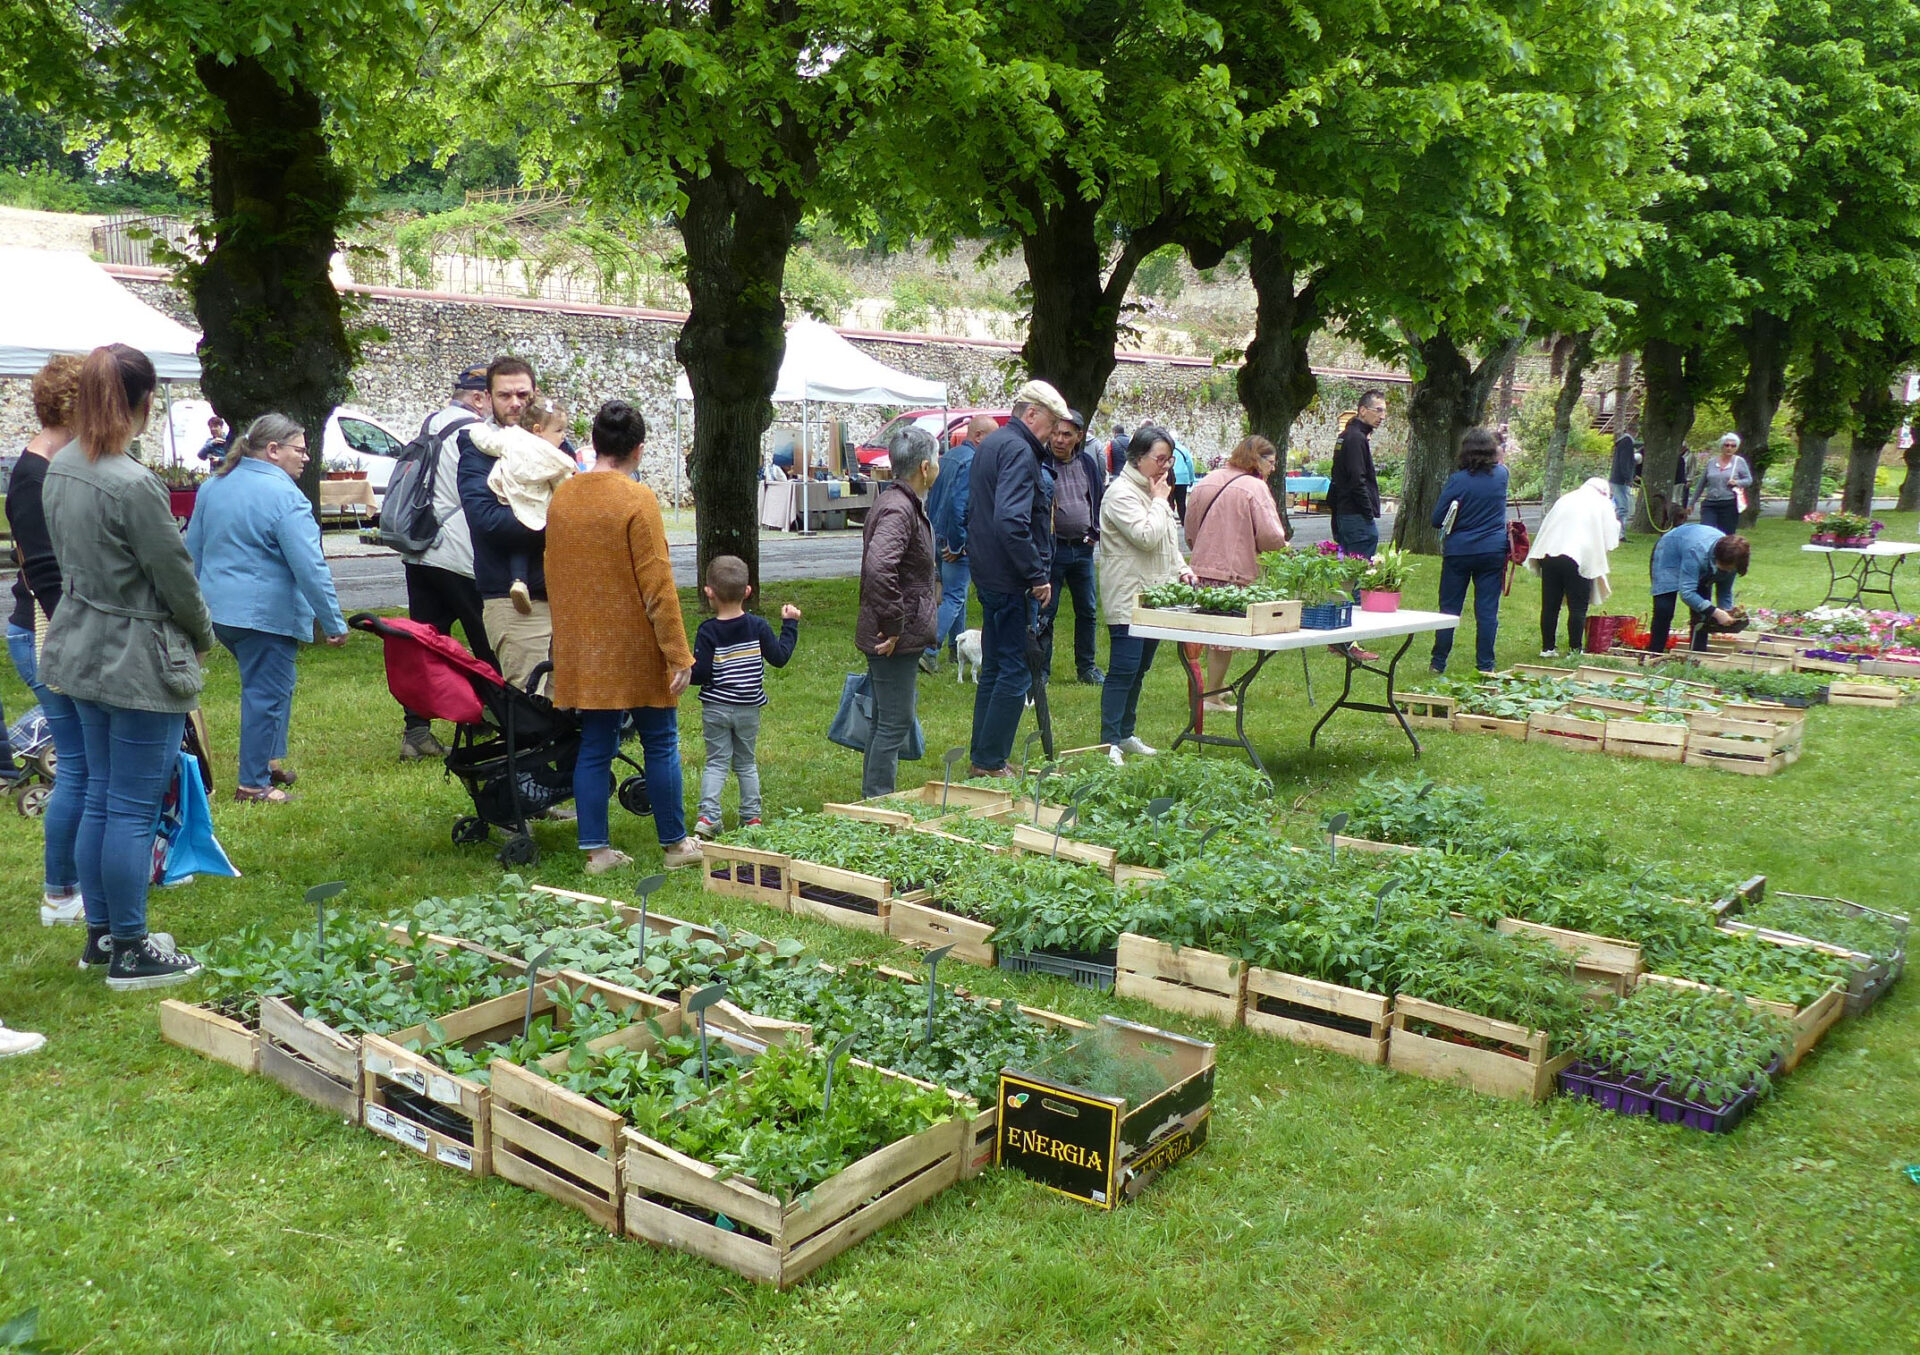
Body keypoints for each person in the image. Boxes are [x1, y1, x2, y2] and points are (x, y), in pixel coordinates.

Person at [41, 344, 212, 989]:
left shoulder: (60, 465)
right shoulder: (133, 483)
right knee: (132, 806)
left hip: (80, 641)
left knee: (104, 797)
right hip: (135, 653)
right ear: (142, 403)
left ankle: (102, 936)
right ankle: (131, 949)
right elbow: (176, 577)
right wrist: (201, 635)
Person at [543, 401, 699, 874]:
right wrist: (679, 653)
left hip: (583, 644)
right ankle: (675, 846)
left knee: (595, 745)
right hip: (634, 644)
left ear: (595, 443)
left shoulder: (564, 496)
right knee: (660, 741)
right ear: (638, 449)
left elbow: (553, 572)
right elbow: (657, 583)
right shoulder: (637, 498)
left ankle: (597, 852)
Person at [187, 412, 350, 802]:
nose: (306, 457)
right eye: (300, 449)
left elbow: (192, 551)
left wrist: (189, 609)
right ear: (273, 451)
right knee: (266, 692)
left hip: (217, 612)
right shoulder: (286, 497)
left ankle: (271, 761)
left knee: (276, 684)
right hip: (263, 614)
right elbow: (309, 565)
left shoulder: (213, 486)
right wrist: (333, 621)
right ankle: (253, 784)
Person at [6, 355, 84, 923]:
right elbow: (44, 577)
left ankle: (82, 878)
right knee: (80, 764)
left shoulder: (58, 465)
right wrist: (77, 642)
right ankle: (60, 893)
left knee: (88, 763)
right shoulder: (34, 475)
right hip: (45, 634)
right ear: (75, 406)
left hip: (56, 632)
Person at [966, 379, 1068, 777]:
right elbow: (1011, 521)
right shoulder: (1020, 450)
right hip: (1010, 578)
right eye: (1051, 423)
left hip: (989, 573)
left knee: (994, 666)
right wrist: (1036, 574)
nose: (1054, 434)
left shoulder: (991, 444)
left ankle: (982, 757)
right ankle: (990, 763)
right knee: (1014, 670)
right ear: (1031, 414)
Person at [398, 363, 499, 760]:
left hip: (419, 550)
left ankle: (416, 732)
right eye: (494, 396)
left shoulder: (430, 425)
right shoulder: (474, 433)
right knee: (487, 640)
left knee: (425, 643)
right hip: (459, 554)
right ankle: (497, 715)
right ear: (479, 398)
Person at [1096, 426, 1193, 765]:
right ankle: (1108, 741)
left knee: (1140, 669)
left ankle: (1126, 732)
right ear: (1137, 458)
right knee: (1123, 668)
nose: (1166, 466)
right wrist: (1158, 501)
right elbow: (1145, 537)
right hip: (1128, 594)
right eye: (1160, 459)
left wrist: (1182, 567)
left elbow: (1166, 538)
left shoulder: (1156, 490)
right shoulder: (1121, 493)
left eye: (1170, 459)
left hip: (1156, 593)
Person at [856, 427, 941, 798]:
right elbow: (878, 567)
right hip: (891, 635)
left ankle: (874, 799)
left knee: (887, 718)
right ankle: (878, 802)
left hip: (896, 628)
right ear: (925, 467)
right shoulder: (898, 508)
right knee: (895, 721)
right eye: (937, 460)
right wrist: (893, 625)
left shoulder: (903, 501)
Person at [690, 555, 800, 837]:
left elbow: (700, 674)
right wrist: (789, 625)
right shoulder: (759, 627)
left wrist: (680, 669)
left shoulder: (707, 631)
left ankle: (708, 818)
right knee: (746, 762)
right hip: (749, 708)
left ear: (709, 592)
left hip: (715, 707)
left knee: (716, 762)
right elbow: (779, 658)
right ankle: (751, 819)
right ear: (748, 591)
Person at [457, 355, 549, 689]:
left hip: (563, 593)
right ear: (488, 397)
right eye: (505, 395)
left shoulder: (552, 440)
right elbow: (488, 522)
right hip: (513, 601)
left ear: (535, 394)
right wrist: (553, 521)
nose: (515, 404)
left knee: (572, 707)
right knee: (533, 702)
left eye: (523, 395)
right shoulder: (477, 448)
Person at [1185, 434, 1289, 713]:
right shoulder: (1254, 487)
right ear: (1258, 459)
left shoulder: (1206, 480)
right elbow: (1271, 535)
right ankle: (1211, 696)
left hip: (1201, 566)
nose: (1274, 468)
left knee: (1212, 632)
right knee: (1225, 638)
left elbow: (1190, 527)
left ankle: (1211, 689)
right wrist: (1282, 545)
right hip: (1234, 570)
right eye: (1271, 461)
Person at [468, 394, 576, 617]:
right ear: (538, 430)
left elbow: (487, 442)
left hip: (509, 498)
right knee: (533, 538)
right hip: (539, 506)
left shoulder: (511, 438)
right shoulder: (554, 456)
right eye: (558, 431)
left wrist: (475, 429)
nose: (563, 436)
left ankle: (519, 580)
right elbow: (564, 487)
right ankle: (522, 581)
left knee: (519, 544)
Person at [1428, 427, 1511, 674]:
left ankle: (1438, 661)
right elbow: (1501, 465)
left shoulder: (1458, 480)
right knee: (1487, 610)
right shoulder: (1502, 475)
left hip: (1459, 551)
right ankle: (1486, 665)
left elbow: (1436, 519)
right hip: (1493, 550)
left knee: (1449, 608)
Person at [1039, 407, 1105, 685]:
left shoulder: (1088, 464)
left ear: (1079, 436)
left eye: (1066, 434)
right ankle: (1041, 672)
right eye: (1055, 432)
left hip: (1082, 549)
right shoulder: (1040, 463)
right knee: (1046, 612)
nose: (1059, 439)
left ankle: (1086, 668)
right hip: (1053, 550)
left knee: (1087, 610)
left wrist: (1094, 532)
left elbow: (1098, 499)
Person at [924, 413, 993, 673]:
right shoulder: (974, 461)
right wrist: (959, 544)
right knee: (954, 596)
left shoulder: (948, 457)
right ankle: (929, 651)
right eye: (992, 437)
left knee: (957, 596)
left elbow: (933, 499)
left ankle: (957, 649)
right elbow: (959, 505)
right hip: (954, 539)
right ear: (978, 436)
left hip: (937, 535)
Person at [1526, 477, 1621, 656]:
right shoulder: (1602, 503)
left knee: (1550, 604)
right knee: (1577, 606)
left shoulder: (1566, 498)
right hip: (1579, 556)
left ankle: (1547, 648)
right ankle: (1575, 649)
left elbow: (1547, 526)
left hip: (1550, 554)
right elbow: (1611, 537)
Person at [1650, 524, 1749, 654]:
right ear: (1717, 557)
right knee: (1664, 609)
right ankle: (1654, 653)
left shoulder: (1734, 558)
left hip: (1697, 552)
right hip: (1670, 551)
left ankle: (1698, 654)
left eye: (1731, 568)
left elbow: (1724, 591)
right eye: (1725, 567)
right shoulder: (1697, 552)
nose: (1728, 571)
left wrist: (1726, 611)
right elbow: (1687, 593)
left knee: (1702, 613)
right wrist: (1716, 612)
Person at [1330, 390, 1386, 558]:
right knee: (1359, 569)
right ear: (1362, 411)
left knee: (1347, 570)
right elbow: (1357, 479)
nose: (1382, 416)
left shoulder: (1346, 435)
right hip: (1355, 514)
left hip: (1345, 512)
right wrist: (1367, 512)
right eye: (1378, 410)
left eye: (1384, 411)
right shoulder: (1355, 438)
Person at [1692, 434, 1752, 535]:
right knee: (1705, 532)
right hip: (1710, 503)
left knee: (1726, 536)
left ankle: (1723, 551)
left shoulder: (1739, 462)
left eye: (1733, 446)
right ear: (1722, 446)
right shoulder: (1712, 462)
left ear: (1736, 448)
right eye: (1727, 445)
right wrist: (1691, 502)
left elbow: (1748, 480)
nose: (1729, 448)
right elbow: (1701, 483)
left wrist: (1737, 482)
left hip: (1729, 503)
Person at [1608, 431, 1641, 528]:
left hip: (1618, 479)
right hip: (1620, 481)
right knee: (1623, 508)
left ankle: (1618, 531)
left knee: (1622, 507)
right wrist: (1628, 478)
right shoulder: (1627, 443)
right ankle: (1617, 532)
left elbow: (1626, 462)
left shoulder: (1623, 442)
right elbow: (1624, 462)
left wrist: (1633, 475)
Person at [1169, 439, 1197, 521]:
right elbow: (1190, 465)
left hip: (1170, 479)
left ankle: (1169, 520)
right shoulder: (1183, 449)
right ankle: (1184, 522)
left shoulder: (1168, 450)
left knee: (1169, 501)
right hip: (1183, 479)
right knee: (1181, 502)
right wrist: (1191, 479)